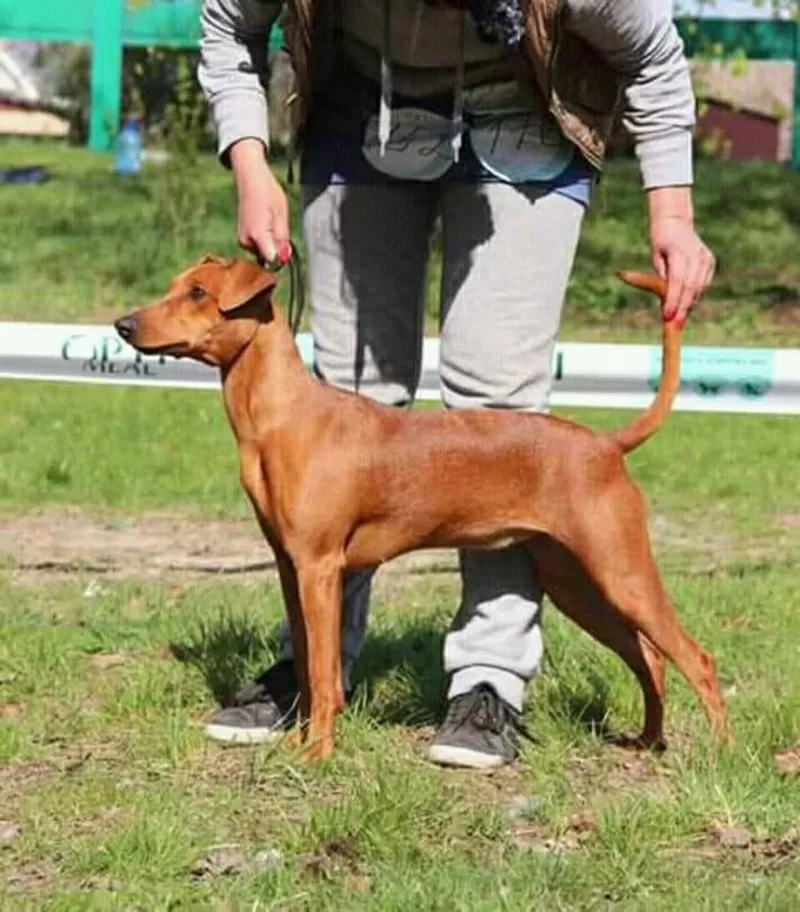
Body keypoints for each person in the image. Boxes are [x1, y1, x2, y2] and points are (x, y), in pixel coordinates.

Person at [197, 0, 715, 769]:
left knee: (500, 413)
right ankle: (315, 672)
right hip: (360, 114)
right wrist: (247, 156)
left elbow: (655, 62)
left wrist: (672, 211)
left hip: (528, 118)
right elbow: (226, 25)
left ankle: (490, 681)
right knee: (343, 396)